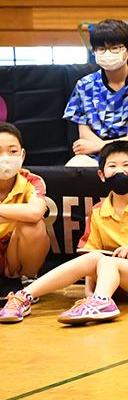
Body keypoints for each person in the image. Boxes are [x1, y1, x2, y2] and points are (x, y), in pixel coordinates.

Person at [0, 141, 128, 325]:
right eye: (112, 166)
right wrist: (89, 292)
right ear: (102, 175)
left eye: (126, 165)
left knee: (107, 261)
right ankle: (23, 296)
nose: (119, 171)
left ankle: (102, 302)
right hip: (113, 279)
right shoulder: (97, 211)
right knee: (95, 258)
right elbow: (91, 254)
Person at [64, 19, 128, 168]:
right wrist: (102, 150)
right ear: (94, 51)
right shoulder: (84, 86)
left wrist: (103, 146)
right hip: (95, 154)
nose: (107, 53)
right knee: (74, 168)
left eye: (115, 48)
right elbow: (84, 133)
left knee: (125, 168)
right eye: (101, 49)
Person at [0, 123, 49, 292]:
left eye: (12, 151)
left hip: (13, 255)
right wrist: (18, 213)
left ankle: (28, 282)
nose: (5, 158)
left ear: (22, 155)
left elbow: (35, 212)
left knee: (33, 226)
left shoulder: (33, 180)